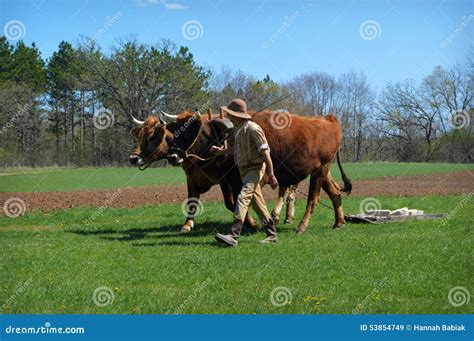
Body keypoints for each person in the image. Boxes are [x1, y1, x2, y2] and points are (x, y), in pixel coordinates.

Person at [211, 99, 278, 247]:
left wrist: (271, 175)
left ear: (236, 115)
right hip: (243, 170)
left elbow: (266, 153)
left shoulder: (253, 129)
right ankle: (272, 233)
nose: (228, 116)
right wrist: (221, 151)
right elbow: (236, 150)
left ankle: (233, 235)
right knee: (257, 203)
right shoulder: (238, 130)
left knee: (242, 197)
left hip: (254, 169)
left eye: (230, 114)